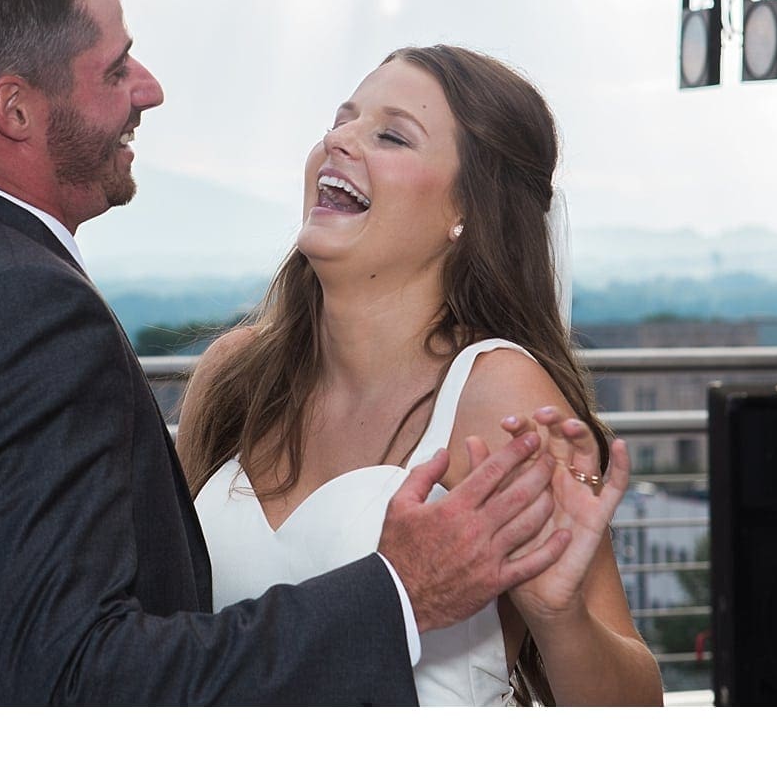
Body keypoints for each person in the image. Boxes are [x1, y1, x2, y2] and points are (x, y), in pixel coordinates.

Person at [0, 0, 573, 705]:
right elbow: (86, 686)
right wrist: (399, 593)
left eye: (391, 134)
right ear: (15, 109)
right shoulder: (24, 313)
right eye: (114, 68)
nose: (150, 90)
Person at [176, 45, 662, 705]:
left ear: (465, 210)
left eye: (390, 135)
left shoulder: (497, 396)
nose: (339, 140)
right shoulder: (234, 377)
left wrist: (560, 617)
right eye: (342, 119)